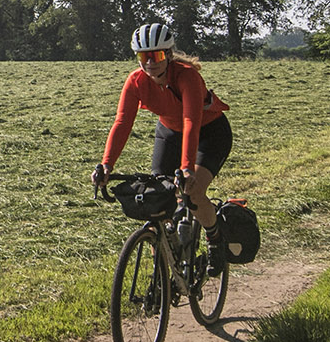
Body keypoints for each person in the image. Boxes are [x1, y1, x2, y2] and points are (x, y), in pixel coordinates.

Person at [91, 23, 231, 237]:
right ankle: (164, 258)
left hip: (209, 134)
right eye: (142, 57)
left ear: (167, 55)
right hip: (170, 133)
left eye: (155, 57)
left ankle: (214, 236)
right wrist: (107, 165)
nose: (148, 63)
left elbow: (190, 121)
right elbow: (122, 123)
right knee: (158, 197)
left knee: (191, 193)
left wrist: (187, 169)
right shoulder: (136, 81)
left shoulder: (187, 76)